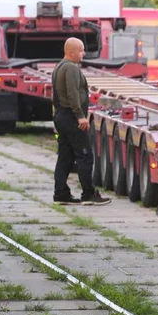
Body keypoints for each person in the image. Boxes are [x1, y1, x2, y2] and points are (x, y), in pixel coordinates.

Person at [52, 38, 110, 205]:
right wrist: (80, 116)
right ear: (71, 52)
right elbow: (72, 94)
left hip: (62, 116)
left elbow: (55, 95)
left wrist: (57, 116)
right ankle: (88, 194)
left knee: (65, 157)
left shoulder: (59, 67)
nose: (83, 54)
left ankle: (61, 194)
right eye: (81, 50)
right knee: (85, 156)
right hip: (71, 118)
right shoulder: (70, 68)